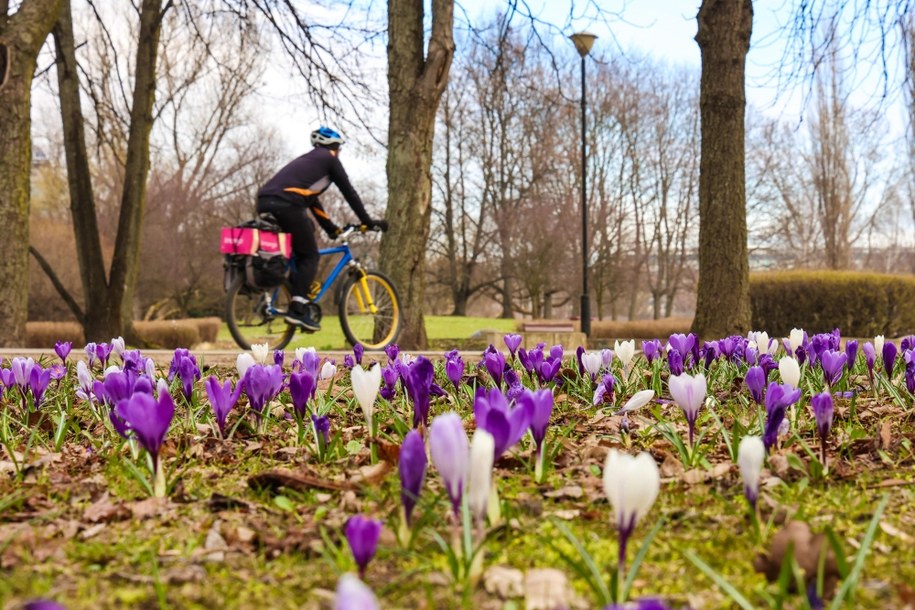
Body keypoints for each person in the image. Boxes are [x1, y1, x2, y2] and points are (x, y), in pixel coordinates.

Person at [257, 126, 387, 331]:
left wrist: (331, 229)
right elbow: (349, 192)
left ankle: (294, 294)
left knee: (304, 238)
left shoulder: (309, 163)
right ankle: (297, 308)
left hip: (265, 201)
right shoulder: (330, 160)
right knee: (310, 255)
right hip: (286, 204)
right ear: (335, 147)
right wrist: (368, 221)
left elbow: (312, 202)